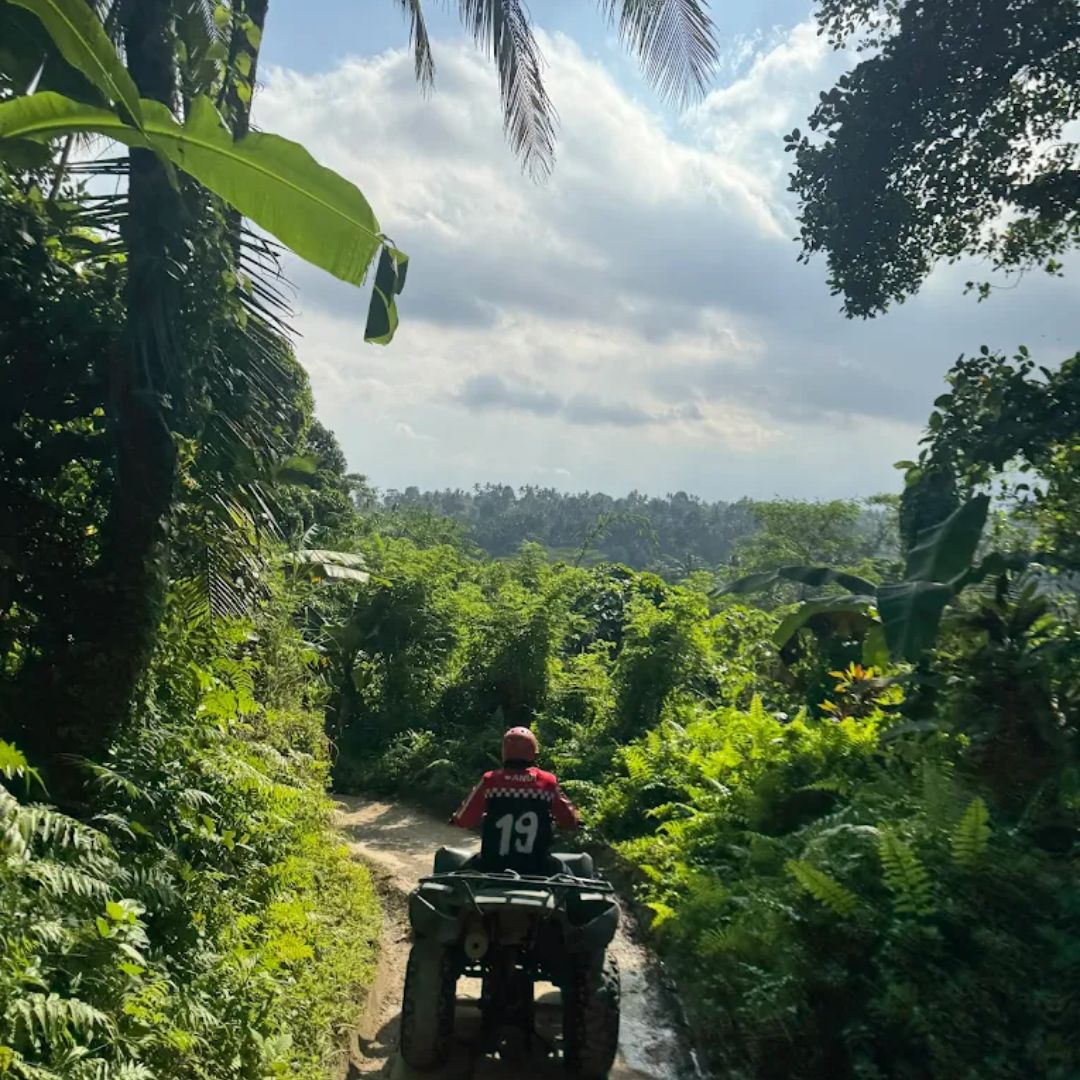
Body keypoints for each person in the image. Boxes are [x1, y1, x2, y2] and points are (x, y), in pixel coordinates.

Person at [450, 726, 580, 874]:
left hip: (491, 865)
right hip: (538, 867)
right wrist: (574, 822)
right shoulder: (548, 782)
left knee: (457, 878)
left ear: (504, 752)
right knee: (571, 880)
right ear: (534, 752)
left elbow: (464, 820)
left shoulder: (489, 780)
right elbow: (569, 821)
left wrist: (456, 819)